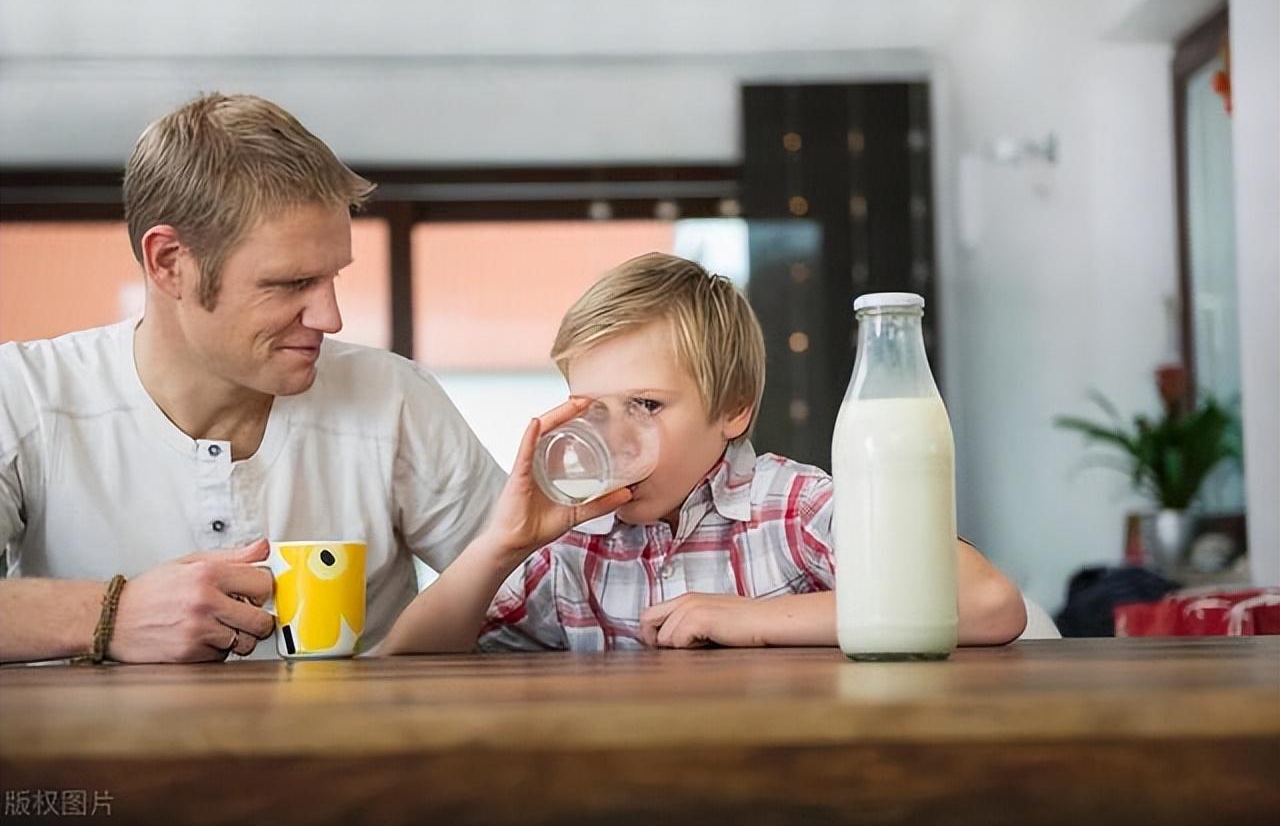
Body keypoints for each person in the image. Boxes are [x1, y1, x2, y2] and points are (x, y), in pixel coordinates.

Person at [0, 93, 504, 664]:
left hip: (358, 752)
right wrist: (111, 614)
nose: (330, 318)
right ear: (169, 263)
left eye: (332, 277)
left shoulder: (394, 398)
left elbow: (542, 595)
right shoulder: (24, 394)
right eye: (290, 284)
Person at [379, 253, 1027, 653]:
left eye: (648, 406)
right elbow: (406, 661)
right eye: (592, 410)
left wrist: (758, 619)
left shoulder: (794, 509)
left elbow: (990, 604)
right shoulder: (576, 548)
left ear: (733, 408)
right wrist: (501, 544)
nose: (613, 438)